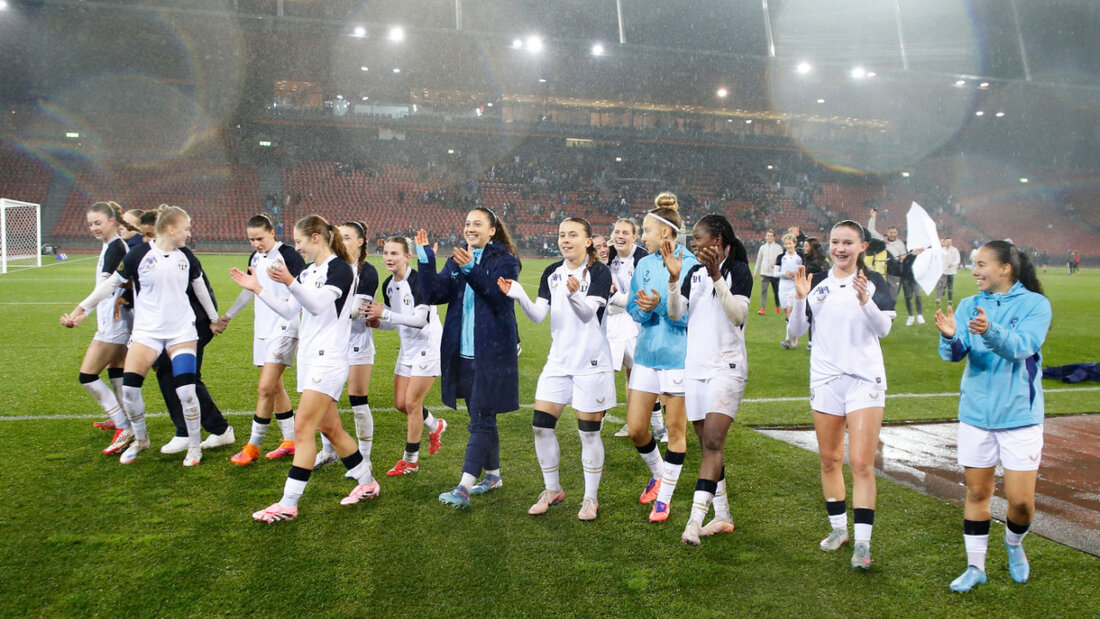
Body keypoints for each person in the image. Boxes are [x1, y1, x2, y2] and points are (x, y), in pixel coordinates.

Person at [232, 215, 378, 523]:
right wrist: (258, 288)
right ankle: (367, 484)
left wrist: (289, 281)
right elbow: (289, 309)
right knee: (331, 428)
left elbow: (317, 305)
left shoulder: (340, 268)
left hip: (329, 360)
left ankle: (288, 503)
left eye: (298, 242)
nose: (296, 248)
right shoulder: (311, 271)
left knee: (302, 428)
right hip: (311, 359)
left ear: (315, 237)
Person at [62, 205, 219, 466]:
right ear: (171, 228)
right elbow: (109, 285)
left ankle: (194, 447)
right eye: (186, 228)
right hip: (147, 334)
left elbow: (200, 289)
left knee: (187, 391)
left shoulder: (187, 257)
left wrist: (214, 320)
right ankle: (141, 439)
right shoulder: (138, 255)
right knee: (131, 389)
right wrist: (80, 310)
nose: (188, 233)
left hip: (182, 333)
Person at [935, 240, 1051, 592]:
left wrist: (991, 330)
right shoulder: (970, 304)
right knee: (977, 493)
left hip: (1020, 416)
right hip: (975, 415)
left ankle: (1014, 544)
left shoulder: (1035, 304)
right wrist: (951, 337)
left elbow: (1022, 347)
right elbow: (955, 354)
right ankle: (975, 567)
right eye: (974, 264)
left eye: (982, 264)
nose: (975, 271)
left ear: (1006, 269)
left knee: (1021, 503)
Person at [788, 219, 896, 570]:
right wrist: (801, 298)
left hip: (864, 380)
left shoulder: (874, 282)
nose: (840, 248)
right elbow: (796, 332)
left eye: (848, 243)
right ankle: (839, 530)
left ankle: (863, 544)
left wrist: (866, 301)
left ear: (862, 247)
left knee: (862, 463)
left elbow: (884, 329)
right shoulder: (817, 283)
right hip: (825, 380)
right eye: (836, 242)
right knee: (830, 459)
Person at [500, 217, 614, 521]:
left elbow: (589, 314)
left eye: (573, 235)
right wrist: (518, 294)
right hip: (559, 361)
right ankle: (552, 490)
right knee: (540, 425)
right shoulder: (552, 272)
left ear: (587, 241)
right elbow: (538, 315)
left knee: (588, 433)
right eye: (562, 234)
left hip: (591, 364)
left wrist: (575, 294)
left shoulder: (600, 273)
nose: (565, 240)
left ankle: (590, 499)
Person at [416, 208, 521, 509]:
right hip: (463, 352)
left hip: (492, 353)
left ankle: (464, 486)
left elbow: (498, 299)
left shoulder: (506, 261)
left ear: (492, 231)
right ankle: (494, 475)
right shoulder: (459, 258)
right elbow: (435, 293)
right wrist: (425, 258)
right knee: (481, 415)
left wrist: (469, 270)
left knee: (481, 418)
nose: (470, 228)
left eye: (478, 224)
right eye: (467, 223)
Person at [665, 214, 753, 546]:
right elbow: (676, 313)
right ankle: (723, 516)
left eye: (698, 238)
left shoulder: (739, 271)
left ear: (717, 241)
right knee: (707, 447)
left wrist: (717, 276)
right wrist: (674, 280)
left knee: (713, 442)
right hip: (696, 369)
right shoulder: (692, 273)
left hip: (726, 368)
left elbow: (738, 316)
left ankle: (693, 521)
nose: (693, 243)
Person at [625, 192, 698, 523]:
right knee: (637, 428)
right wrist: (642, 310)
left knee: (675, 430)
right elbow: (631, 307)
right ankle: (658, 474)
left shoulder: (691, 264)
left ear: (666, 233)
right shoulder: (643, 263)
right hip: (645, 355)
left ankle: (664, 500)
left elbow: (692, 317)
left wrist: (665, 309)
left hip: (677, 357)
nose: (643, 236)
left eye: (647, 230)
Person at [217, 214, 305, 465]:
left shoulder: (288, 255)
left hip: (285, 326)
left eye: (260, 238)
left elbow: (302, 287)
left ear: (272, 233)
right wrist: (228, 316)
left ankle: (252, 446)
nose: (256, 243)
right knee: (274, 387)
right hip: (262, 329)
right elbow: (250, 289)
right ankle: (290, 441)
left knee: (265, 388)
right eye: (251, 239)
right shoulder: (254, 258)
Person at [366, 236, 447, 476]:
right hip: (408, 348)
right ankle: (435, 424)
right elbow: (400, 323)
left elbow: (420, 321)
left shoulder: (419, 280)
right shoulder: (389, 285)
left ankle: (410, 460)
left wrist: (386, 314)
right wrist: (379, 323)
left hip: (428, 347)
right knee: (401, 404)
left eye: (394, 253)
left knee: (412, 404)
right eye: (386, 253)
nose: (389, 258)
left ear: (407, 257)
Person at [314, 221, 380, 469]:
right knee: (324, 400)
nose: (341, 241)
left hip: (356, 343)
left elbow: (354, 313)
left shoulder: (367, 271)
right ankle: (328, 451)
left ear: (361, 241)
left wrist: (319, 306)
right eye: (339, 237)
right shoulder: (328, 267)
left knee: (357, 401)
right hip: (330, 344)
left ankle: (365, 458)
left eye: (348, 237)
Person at [74, 202, 133, 447]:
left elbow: (104, 287)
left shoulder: (116, 248)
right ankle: (122, 417)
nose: (93, 228)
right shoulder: (112, 246)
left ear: (112, 221)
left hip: (114, 323)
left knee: (87, 376)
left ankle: (122, 424)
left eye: (97, 222)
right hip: (118, 319)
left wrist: (80, 311)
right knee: (116, 369)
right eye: (90, 223)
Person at [606, 218, 666, 442]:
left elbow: (643, 296)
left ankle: (660, 425)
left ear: (634, 236)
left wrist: (616, 299)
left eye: (625, 232)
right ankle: (632, 420)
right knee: (619, 374)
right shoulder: (608, 254)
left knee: (642, 375)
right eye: (616, 231)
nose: (619, 236)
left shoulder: (643, 258)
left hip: (640, 322)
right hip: (614, 324)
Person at [777, 232, 803, 349]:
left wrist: (795, 275)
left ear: (795, 244)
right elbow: (775, 273)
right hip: (782, 288)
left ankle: (788, 340)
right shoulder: (780, 258)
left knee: (790, 314)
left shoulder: (799, 258)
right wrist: (785, 273)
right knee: (787, 315)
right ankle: (794, 334)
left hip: (793, 287)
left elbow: (802, 273)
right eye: (786, 244)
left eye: (790, 243)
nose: (788, 246)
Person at [753, 230, 783, 315]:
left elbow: (781, 260)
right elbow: (759, 260)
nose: (769, 237)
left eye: (771, 236)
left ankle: (777, 307)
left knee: (776, 291)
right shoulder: (762, 247)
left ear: (774, 237)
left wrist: (776, 264)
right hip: (764, 273)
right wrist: (755, 272)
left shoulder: (778, 247)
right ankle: (762, 309)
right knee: (763, 291)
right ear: (765, 237)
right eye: (768, 235)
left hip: (775, 273)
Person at [936, 237, 961, 306]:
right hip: (943, 271)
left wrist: (953, 264)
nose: (948, 243)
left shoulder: (955, 250)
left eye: (950, 241)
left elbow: (958, 259)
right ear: (945, 242)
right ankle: (939, 297)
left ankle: (949, 300)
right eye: (947, 241)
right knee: (942, 285)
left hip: (951, 271)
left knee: (950, 287)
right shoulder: (941, 250)